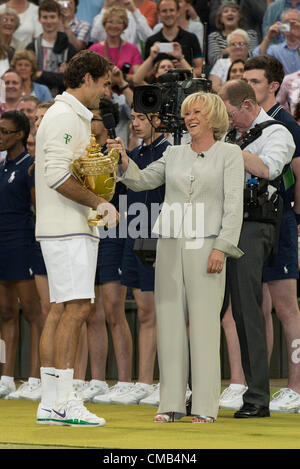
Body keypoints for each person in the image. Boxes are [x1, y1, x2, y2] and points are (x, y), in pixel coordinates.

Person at [107, 91, 244, 423]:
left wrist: (221, 247)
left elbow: (233, 205)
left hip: (207, 243)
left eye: (196, 111)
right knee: (167, 321)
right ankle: (170, 403)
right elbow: (142, 181)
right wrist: (123, 159)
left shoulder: (230, 153)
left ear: (212, 116)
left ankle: (205, 407)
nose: (190, 117)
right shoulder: (174, 153)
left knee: (204, 325)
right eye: (186, 113)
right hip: (168, 242)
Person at [35, 49, 116, 427]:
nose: (105, 92)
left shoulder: (68, 115)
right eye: (103, 84)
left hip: (65, 227)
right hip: (68, 228)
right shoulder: (66, 116)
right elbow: (54, 174)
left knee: (61, 309)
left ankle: (52, 401)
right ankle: (64, 400)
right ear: (86, 80)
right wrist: (100, 201)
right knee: (78, 308)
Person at [225, 56, 300, 413]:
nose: (226, 120)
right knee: (236, 310)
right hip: (226, 223)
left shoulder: (279, 129)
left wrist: (229, 152)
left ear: (250, 103)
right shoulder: (230, 133)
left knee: (271, 308)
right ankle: (239, 385)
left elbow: (274, 170)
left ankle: (278, 389)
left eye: (256, 81)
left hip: (266, 222)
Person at [0, 110, 44, 400]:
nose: (0, 135)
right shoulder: (2, 166)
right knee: (5, 314)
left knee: (33, 314)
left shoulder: (30, 167)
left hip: (23, 245)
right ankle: (5, 376)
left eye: (4, 131)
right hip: (1, 247)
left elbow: (38, 209)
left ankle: (36, 377)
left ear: (19, 134)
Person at [26, 0, 77, 96]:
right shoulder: (31, 47)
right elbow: (29, 76)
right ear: (39, 19)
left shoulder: (69, 49)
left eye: (52, 17)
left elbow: (71, 79)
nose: (48, 21)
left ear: (59, 18)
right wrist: (59, 76)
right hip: (36, 98)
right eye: (45, 17)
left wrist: (41, 74)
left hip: (63, 97)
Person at [144, 0, 203, 77]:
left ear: (178, 12)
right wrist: (156, 68)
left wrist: (183, 65)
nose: (168, 14)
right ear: (158, 14)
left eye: (171, 10)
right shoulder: (152, 41)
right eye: (164, 11)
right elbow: (145, 76)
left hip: (186, 86)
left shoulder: (191, 38)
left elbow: (200, 70)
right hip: (158, 86)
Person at [89, 6, 143, 83]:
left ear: (124, 26)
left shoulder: (132, 49)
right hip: (100, 93)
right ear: (104, 24)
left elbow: (137, 77)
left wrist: (120, 78)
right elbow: (90, 76)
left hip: (127, 92)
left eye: (118, 22)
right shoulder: (94, 50)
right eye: (110, 21)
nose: (114, 26)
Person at [208, 1, 258, 66]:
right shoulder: (214, 36)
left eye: (233, 11)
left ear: (239, 16)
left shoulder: (251, 34)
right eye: (226, 11)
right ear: (220, 19)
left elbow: (254, 56)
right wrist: (241, 50)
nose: (230, 13)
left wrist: (226, 51)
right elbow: (214, 60)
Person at [253, 8, 300, 75]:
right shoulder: (275, 50)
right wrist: (268, 38)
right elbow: (258, 57)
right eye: (287, 22)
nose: (290, 25)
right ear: (282, 25)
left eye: (294, 22)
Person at [209, 28, 250, 93]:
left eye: (241, 43)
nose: (238, 47)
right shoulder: (220, 63)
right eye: (234, 44)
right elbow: (214, 86)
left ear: (248, 46)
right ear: (228, 47)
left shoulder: (253, 63)